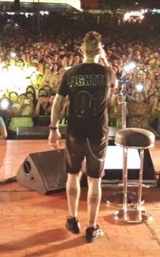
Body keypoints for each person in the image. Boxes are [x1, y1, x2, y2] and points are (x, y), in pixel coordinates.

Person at [48, 31, 115, 243]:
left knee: (73, 175)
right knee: (95, 181)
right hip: (97, 134)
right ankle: (92, 227)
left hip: (75, 132)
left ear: (81, 49)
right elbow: (113, 91)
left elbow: (58, 102)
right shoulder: (108, 72)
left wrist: (53, 128)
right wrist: (104, 59)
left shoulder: (70, 73)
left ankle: (72, 218)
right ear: (100, 50)